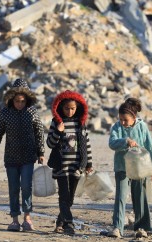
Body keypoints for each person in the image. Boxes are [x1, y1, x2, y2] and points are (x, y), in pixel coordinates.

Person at [0, 78, 45, 232]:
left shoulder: (32, 112)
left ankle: (27, 218)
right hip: (11, 158)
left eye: (22, 101)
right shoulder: (5, 113)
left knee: (26, 187)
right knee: (13, 188)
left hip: (28, 156)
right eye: (17, 101)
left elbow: (39, 132)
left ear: (27, 100)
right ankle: (14, 219)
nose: (20, 104)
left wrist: (41, 152)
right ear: (11, 99)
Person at [107, 97, 152, 238]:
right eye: (121, 119)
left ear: (134, 117)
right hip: (122, 168)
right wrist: (125, 141)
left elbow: (150, 146)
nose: (123, 123)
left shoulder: (142, 127)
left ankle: (141, 227)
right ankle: (117, 228)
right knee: (120, 198)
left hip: (139, 168)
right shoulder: (117, 127)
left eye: (126, 120)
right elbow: (112, 143)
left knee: (140, 197)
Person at [46, 90, 93, 235]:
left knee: (70, 198)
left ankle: (60, 222)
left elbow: (86, 144)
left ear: (78, 107)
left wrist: (88, 163)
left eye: (73, 108)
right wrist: (58, 132)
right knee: (64, 196)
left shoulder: (80, 123)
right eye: (67, 108)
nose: (70, 111)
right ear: (60, 107)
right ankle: (68, 224)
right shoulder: (56, 122)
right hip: (61, 166)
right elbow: (50, 143)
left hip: (76, 166)